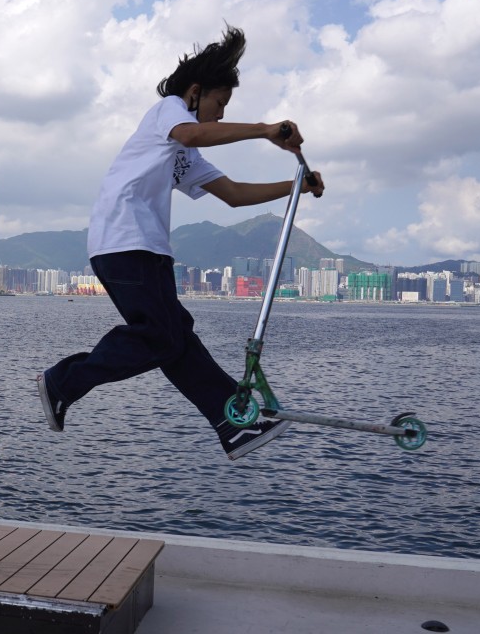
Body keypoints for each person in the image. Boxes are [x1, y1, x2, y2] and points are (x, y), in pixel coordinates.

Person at [36, 25, 325, 460]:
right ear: (194, 93)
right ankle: (63, 380)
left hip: (149, 248)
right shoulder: (167, 112)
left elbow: (233, 195)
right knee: (159, 335)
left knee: (175, 338)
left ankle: (234, 422)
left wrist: (296, 184)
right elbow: (191, 132)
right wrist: (265, 130)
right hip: (121, 241)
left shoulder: (186, 153)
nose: (220, 116)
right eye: (218, 104)